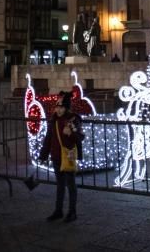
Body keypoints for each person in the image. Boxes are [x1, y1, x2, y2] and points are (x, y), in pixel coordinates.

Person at [38, 91, 84, 222]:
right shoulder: (53, 120)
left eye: (61, 107)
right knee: (59, 185)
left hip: (68, 156)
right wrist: (43, 154)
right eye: (57, 107)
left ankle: (72, 212)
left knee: (70, 184)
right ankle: (58, 210)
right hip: (56, 156)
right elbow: (48, 138)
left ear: (66, 108)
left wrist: (71, 133)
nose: (58, 109)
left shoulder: (73, 119)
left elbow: (80, 137)